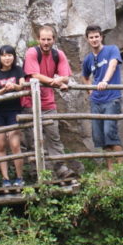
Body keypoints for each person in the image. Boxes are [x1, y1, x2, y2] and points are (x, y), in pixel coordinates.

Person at [22, 24, 73, 179]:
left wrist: (59, 81)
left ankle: (60, 168)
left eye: (48, 39)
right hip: (30, 102)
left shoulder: (59, 55)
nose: (46, 43)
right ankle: (36, 172)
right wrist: (56, 82)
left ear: (54, 40)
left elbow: (66, 76)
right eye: (43, 39)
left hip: (48, 102)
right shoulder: (32, 52)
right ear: (38, 39)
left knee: (54, 136)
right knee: (33, 138)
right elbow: (35, 75)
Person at [81, 25, 123, 167]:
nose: (94, 40)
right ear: (87, 39)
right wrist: (89, 91)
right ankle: (111, 169)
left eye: (96, 36)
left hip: (111, 98)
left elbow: (113, 65)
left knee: (109, 132)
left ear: (101, 37)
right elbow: (85, 76)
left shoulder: (112, 49)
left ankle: (121, 168)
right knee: (99, 136)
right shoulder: (88, 59)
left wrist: (105, 81)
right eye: (91, 37)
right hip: (96, 101)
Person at [0, 45, 27, 187]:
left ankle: (19, 177)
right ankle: (5, 179)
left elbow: (22, 86)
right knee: (0, 145)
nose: (7, 58)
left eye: (10, 55)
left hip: (13, 110)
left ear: (14, 57)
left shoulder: (18, 70)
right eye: (4, 55)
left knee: (15, 144)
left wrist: (14, 87)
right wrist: (5, 88)